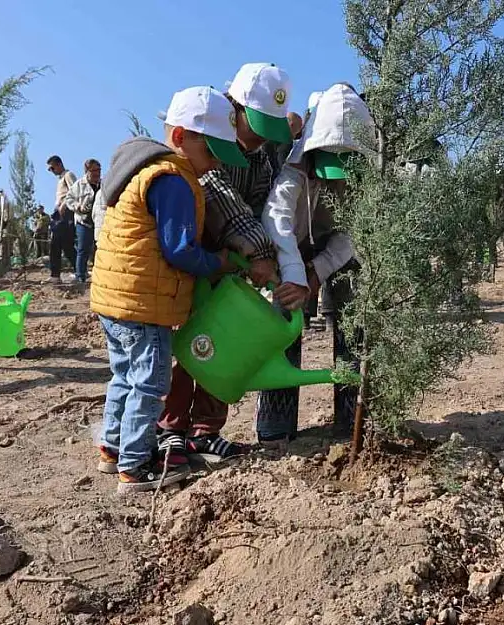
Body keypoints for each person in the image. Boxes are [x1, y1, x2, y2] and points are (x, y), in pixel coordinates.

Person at [91, 86, 243, 492]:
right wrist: (219, 263)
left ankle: (112, 448)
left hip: (116, 298)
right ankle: (136, 467)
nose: (213, 166)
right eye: (211, 153)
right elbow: (179, 251)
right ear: (180, 138)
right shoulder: (173, 179)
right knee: (150, 383)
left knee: (123, 375)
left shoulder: (144, 170)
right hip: (144, 304)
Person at [155, 63, 290, 464]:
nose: (260, 136)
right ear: (235, 107)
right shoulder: (207, 140)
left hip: (234, 267)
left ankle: (205, 430)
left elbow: (265, 207)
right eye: (256, 124)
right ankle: (170, 427)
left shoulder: (261, 158)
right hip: (195, 261)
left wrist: (267, 256)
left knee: (225, 343)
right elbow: (219, 197)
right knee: (187, 342)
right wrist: (257, 251)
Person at [254, 82, 373, 444]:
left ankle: (352, 418)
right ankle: (276, 425)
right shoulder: (293, 170)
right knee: (283, 322)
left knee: (353, 327)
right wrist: (296, 275)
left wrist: (319, 269)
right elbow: (277, 219)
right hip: (291, 250)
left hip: (342, 254)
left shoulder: (367, 179)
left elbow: (356, 232)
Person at [65, 158, 102, 284]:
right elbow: (69, 199)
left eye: (99, 170)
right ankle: (80, 276)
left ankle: (99, 276)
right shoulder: (78, 185)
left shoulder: (104, 185)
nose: (97, 173)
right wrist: (78, 207)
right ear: (87, 171)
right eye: (94, 170)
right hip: (83, 222)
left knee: (100, 249)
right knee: (83, 249)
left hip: (99, 223)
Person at [47, 156, 78, 283]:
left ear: (59, 164)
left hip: (65, 214)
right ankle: (78, 270)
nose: (51, 170)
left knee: (57, 244)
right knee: (65, 245)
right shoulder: (60, 179)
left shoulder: (68, 175)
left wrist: (64, 204)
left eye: (52, 167)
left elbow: (75, 191)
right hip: (59, 214)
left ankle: (56, 275)